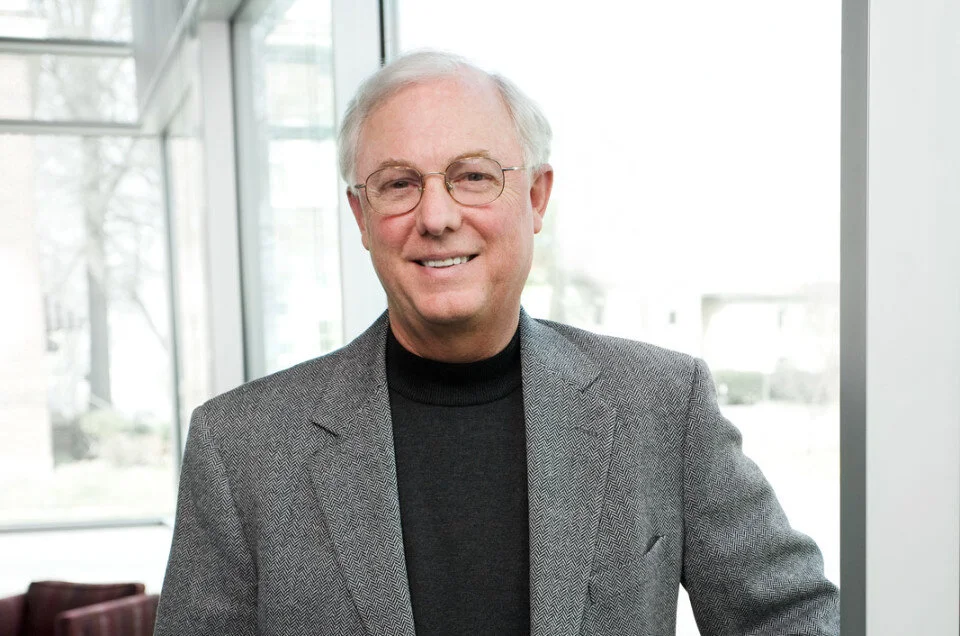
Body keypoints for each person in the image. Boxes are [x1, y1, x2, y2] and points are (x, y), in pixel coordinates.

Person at [155, 51, 839, 635]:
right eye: (399, 184)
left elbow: (794, 616)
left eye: (473, 176)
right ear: (361, 216)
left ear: (536, 197)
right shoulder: (240, 448)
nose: (437, 216)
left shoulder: (662, 405)